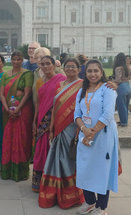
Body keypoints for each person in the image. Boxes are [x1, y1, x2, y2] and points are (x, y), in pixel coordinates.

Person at [74, 59, 118, 215]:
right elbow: (77, 114)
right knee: (85, 168)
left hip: (103, 135)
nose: (92, 74)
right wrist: (85, 130)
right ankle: (90, 202)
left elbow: (108, 114)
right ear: (85, 73)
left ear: (101, 72)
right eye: (89, 71)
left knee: (102, 170)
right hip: (85, 135)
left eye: (96, 71)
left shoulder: (108, 89)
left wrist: (92, 132)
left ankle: (101, 207)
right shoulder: (82, 90)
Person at [39, 58, 84, 209]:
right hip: (58, 128)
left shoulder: (83, 85)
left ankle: (72, 194)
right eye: (68, 67)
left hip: (73, 128)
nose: (70, 69)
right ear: (63, 69)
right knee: (56, 160)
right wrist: (51, 128)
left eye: (73, 67)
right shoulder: (59, 86)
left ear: (78, 69)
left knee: (69, 160)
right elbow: (54, 108)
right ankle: (54, 193)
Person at [32, 55, 67, 192]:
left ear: (54, 65)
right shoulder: (40, 82)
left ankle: (52, 182)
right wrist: (34, 122)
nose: (45, 66)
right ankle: (39, 182)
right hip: (41, 118)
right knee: (40, 149)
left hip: (55, 119)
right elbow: (38, 103)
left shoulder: (61, 80)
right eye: (42, 64)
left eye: (48, 63)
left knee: (51, 149)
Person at [0, 51, 34, 182]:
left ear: (22, 60)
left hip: (23, 110)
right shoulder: (5, 75)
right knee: (9, 138)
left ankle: (21, 171)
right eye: (13, 59)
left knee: (22, 139)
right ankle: (8, 170)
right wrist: (7, 109)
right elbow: (2, 94)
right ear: (11, 60)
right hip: (8, 110)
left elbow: (27, 93)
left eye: (18, 59)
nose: (15, 62)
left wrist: (18, 109)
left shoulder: (27, 74)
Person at [113, 53, 131, 127]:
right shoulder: (127, 67)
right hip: (128, 86)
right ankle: (124, 120)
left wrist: (112, 80)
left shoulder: (118, 68)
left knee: (121, 106)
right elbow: (130, 77)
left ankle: (123, 122)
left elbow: (118, 80)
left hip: (121, 87)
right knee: (126, 106)